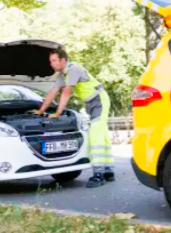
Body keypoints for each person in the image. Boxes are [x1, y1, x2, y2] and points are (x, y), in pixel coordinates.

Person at [34, 47, 114, 187]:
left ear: (63, 60)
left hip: (99, 100)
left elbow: (67, 92)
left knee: (95, 135)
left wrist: (58, 113)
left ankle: (98, 174)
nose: (51, 64)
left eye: (54, 61)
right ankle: (108, 171)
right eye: (50, 61)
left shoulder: (73, 69)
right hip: (91, 102)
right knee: (102, 134)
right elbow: (53, 92)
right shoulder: (61, 75)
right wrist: (40, 111)